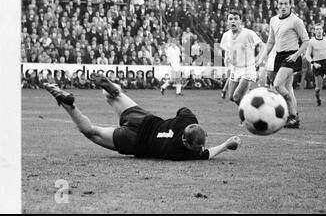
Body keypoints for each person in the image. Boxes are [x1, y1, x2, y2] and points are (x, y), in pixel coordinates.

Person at [43, 74, 241, 161]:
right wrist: (226, 145)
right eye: (198, 146)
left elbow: (183, 109)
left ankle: (113, 89)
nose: (201, 148)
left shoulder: (188, 120)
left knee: (112, 96)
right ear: (186, 142)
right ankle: (69, 105)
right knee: (91, 132)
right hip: (134, 141)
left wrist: (186, 123)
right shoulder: (180, 153)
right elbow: (207, 155)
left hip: (145, 119)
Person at [256, 0, 310, 129]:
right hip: (279, 56)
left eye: (286, 4)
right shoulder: (273, 20)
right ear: (277, 5)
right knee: (288, 88)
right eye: (280, 4)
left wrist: (297, 55)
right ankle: (293, 118)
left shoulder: (296, 21)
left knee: (277, 85)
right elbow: (270, 42)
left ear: (290, 5)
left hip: (291, 56)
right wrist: (261, 58)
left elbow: (306, 41)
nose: (283, 6)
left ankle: (292, 116)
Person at [220, 10, 264, 105]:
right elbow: (227, 50)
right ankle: (252, 106)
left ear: (240, 21)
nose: (233, 21)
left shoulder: (248, 33)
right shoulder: (226, 35)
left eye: (236, 19)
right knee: (232, 97)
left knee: (237, 96)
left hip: (247, 69)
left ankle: (247, 115)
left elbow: (262, 46)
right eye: (230, 19)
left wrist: (259, 59)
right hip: (235, 69)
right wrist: (226, 58)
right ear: (227, 21)